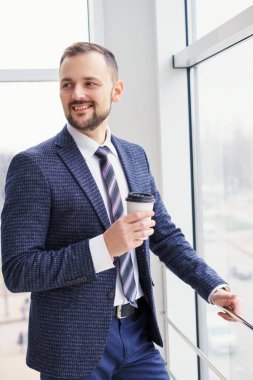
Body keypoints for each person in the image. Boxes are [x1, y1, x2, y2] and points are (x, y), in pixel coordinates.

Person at [1, 42, 241, 380]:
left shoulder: (134, 156)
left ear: (117, 90)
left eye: (90, 83)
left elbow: (165, 236)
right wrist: (103, 247)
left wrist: (213, 288)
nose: (76, 93)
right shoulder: (33, 166)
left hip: (138, 335)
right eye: (67, 84)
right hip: (72, 348)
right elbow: (18, 270)